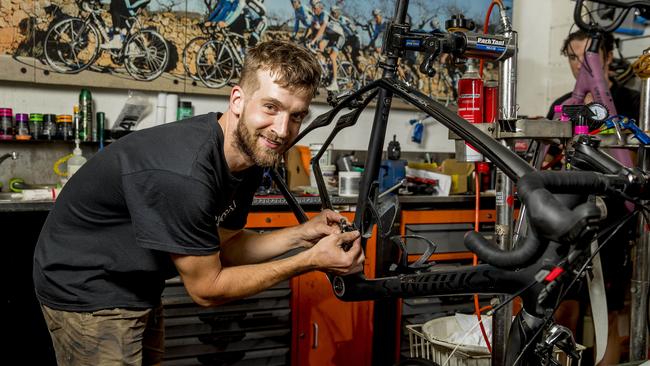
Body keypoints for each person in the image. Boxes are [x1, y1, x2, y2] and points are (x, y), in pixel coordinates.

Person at [33, 40, 364, 366]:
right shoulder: (187, 173)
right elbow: (207, 288)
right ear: (238, 99)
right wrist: (310, 261)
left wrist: (303, 234)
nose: (281, 129)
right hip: (86, 284)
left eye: (296, 116)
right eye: (271, 107)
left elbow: (227, 246)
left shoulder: (249, 156)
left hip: (137, 280)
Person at [547, 29, 640, 366]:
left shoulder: (632, 102)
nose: (580, 64)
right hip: (570, 217)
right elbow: (548, 158)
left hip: (615, 218)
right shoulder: (561, 106)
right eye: (573, 56)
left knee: (607, 317)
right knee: (561, 310)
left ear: (609, 58)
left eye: (589, 56)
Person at [306, 1, 345, 91]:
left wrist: (313, 41)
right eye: (312, 7)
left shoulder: (325, 15)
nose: (313, 9)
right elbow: (312, 29)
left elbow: (322, 29)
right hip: (329, 36)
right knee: (319, 47)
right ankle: (325, 69)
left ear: (320, 7)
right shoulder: (315, 16)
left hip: (338, 36)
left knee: (332, 56)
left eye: (314, 7)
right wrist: (310, 41)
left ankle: (334, 82)